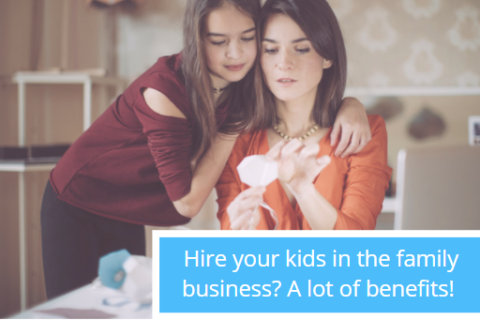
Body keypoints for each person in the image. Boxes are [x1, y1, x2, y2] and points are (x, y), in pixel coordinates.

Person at [41, 0, 371, 299]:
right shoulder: (163, 92)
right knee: (77, 308)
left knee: (124, 306)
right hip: (77, 200)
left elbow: (302, 85)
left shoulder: (247, 77)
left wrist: (351, 106)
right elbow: (186, 203)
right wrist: (231, 129)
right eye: (219, 41)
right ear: (197, 40)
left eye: (247, 38)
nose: (236, 53)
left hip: (126, 206)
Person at [216, 0, 392, 230]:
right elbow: (231, 245)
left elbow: (355, 243)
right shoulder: (234, 138)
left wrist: (304, 191)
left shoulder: (364, 132)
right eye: (271, 50)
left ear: (327, 56)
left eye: (301, 49)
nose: (284, 63)